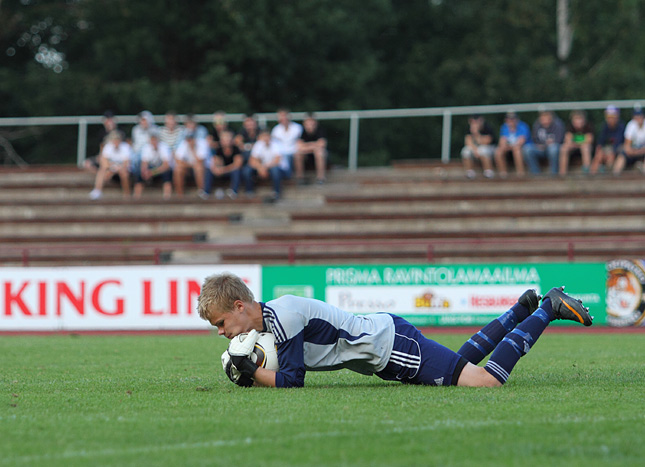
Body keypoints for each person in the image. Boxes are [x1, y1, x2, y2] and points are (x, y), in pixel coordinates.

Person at [197, 273, 593, 389]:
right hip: (388, 343)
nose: (220, 332)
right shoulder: (272, 321)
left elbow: (291, 379)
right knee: (461, 362)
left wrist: (249, 371)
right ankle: (518, 312)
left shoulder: (282, 317)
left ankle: (547, 308)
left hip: (389, 346)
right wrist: (249, 372)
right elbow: (279, 369)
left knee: (484, 381)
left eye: (220, 323)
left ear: (239, 307)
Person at [243, 129, 291, 200]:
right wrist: (260, 168)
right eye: (263, 136)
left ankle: (276, 192)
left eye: (267, 136)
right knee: (247, 170)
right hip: (266, 168)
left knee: (275, 170)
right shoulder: (259, 144)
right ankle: (249, 191)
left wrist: (263, 167)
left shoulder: (276, 144)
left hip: (281, 169)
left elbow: (277, 160)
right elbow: (252, 160)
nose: (265, 138)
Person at [88, 130, 132, 200]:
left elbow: (126, 163)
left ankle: (126, 194)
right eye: (114, 140)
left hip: (123, 169)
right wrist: (113, 169)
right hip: (113, 169)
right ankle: (97, 190)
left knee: (124, 173)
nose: (116, 142)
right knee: (102, 171)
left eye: (117, 140)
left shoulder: (126, 147)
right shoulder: (108, 147)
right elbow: (104, 162)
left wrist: (114, 169)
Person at [200, 130, 243, 200]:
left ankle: (234, 191)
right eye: (224, 140)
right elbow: (215, 162)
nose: (226, 142)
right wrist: (216, 169)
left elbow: (237, 164)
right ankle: (206, 191)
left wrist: (223, 170)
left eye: (228, 139)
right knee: (208, 171)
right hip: (224, 170)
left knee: (236, 171)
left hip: (230, 171)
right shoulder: (218, 150)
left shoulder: (236, 149)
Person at [523, 110, 565, 175]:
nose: (545, 120)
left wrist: (549, 144)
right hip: (540, 148)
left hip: (553, 149)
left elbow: (559, 140)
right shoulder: (537, 125)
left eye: (547, 118)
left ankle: (554, 174)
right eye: (543, 118)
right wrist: (540, 145)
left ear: (551, 118)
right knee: (527, 149)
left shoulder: (558, 124)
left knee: (553, 148)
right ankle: (535, 174)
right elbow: (534, 139)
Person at [134, 130, 173, 200]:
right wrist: (145, 172)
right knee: (139, 174)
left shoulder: (164, 147)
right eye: (152, 140)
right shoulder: (146, 148)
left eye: (155, 140)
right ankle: (136, 198)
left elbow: (166, 166)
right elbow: (144, 164)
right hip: (152, 168)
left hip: (160, 169)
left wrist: (152, 172)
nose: (154, 142)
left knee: (167, 174)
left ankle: (167, 198)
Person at [590, 106, 625, 175]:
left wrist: (610, 151)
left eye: (612, 116)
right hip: (608, 149)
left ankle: (608, 176)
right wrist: (599, 150)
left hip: (617, 149)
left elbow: (619, 143)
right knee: (598, 156)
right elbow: (601, 141)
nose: (610, 119)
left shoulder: (621, 126)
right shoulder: (605, 126)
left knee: (610, 156)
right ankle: (591, 176)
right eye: (609, 116)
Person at [294, 113, 328, 184]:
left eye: (311, 121)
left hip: (317, 154)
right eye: (308, 122)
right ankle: (300, 178)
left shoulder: (320, 130)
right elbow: (299, 146)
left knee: (319, 153)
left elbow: (322, 145)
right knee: (297, 154)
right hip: (307, 155)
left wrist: (306, 146)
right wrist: (314, 145)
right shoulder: (301, 131)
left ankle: (320, 178)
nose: (310, 124)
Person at [494, 111, 530, 177]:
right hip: (510, 147)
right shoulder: (504, 127)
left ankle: (520, 173)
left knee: (517, 150)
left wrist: (510, 146)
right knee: (498, 151)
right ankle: (503, 174)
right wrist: (506, 146)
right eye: (509, 119)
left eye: (513, 119)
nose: (511, 121)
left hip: (522, 147)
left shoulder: (523, 126)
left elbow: (521, 141)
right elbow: (501, 142)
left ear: (517, 119)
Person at [558, 110, 594, 176]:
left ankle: (587, 173)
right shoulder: (570, 127)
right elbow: (567, 139)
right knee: (564, 148)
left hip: (585, 148)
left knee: (585, 147)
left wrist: (575, 142)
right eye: (576, 119)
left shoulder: (588, 126)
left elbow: (589, 140)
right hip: (574, 148)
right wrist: (576, 143)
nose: (578, 121)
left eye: (580, 119)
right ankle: (562, 173)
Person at [460, 114, 496, 179]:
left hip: (490, 148)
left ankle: (488, 171)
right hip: (476, 148)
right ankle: (469, 172)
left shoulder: (487, 128)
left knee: (483, 150)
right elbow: (467, 142)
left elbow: (486, 141)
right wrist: (475, 150)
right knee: (465, 151)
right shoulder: (469, 129)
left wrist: (476, 134)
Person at [173, 132, 208, 198]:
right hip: (189, 167)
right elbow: (178, 161)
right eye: (188, 139)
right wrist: (191, 165)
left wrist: (193, 149)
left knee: (199, 168)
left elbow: (201, 161)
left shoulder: (202, 143)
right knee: (178, 169)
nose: (190, 141)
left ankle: (201, 192)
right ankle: (180, 194)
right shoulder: (183, 144)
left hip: (201, 168)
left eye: (191, 139)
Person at [612, 107, 645, 175]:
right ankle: (614, 177)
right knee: (621, 157)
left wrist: (639, 151)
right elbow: (627, 146)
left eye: (639, 115)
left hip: (642, 152)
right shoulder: (631, 125)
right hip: (633, 151)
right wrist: (634, 152)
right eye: (636, 115)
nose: (638, 117)